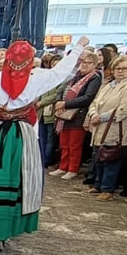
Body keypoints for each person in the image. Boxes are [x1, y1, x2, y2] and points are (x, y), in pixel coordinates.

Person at [0, 37, 89, 251]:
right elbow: (62, 72)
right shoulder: (36, 79)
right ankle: (0, 233)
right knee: (17, 177)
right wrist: (78, 47)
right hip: (20, 135)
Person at [84, 55, 127, 200]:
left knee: (111, 159)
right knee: (99, 156)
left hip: (117, 127)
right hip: (100, 126)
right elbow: (94, 102)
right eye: (117, 68)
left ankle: (107, 189)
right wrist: (93, 114)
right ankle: (98, 185)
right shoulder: (109, 84)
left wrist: (101, 117)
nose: (120, 71)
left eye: (124, 68)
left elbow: (125, 108)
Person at [50, 51, 101, 180]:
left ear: (95, 64)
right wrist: (60, 102)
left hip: (78, 115)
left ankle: (72, 168)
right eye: (82, 62)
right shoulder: (75, 76)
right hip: (64, 115)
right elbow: (61, 90)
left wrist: (65, 104)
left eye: (88, 63)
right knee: (64, 143)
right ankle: (63, 166)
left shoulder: (94, 78)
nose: (84, 65)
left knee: (75, 144)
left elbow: (87, 97)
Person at [34, 53, 66, 168]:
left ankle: (47, 159)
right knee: (41, 137)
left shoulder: (62, 79)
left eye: (57, 64)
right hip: (41, 112)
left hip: (51, 111)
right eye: (53, 64)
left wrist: (41, 102)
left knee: (50, 138)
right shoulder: (47, 77)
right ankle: (41, 158)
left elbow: (56, 94)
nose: (54, 66)